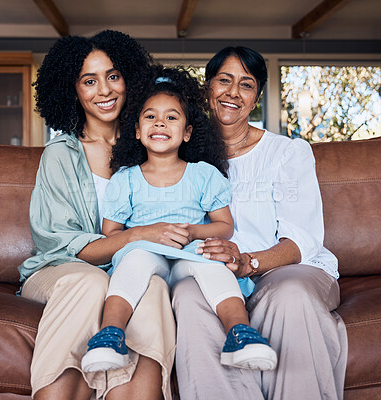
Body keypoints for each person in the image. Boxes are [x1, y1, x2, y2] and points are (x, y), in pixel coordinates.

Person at [172, 47, 348, 400]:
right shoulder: (184, 155)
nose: (232, 92)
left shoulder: (286, 152)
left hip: (286, 268)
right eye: (224, 80)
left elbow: (302, 240)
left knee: (289, 295)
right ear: (207, 88)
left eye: (246, 84)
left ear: (255, 98)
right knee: (189, 296)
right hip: (214, 275)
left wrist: (248, 262)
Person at [80, 66, 277, 375]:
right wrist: (144, 235)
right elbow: (111, 232)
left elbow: (225, 226)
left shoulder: (203, 174)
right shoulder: (125, 179)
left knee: (214, 260)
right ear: (136, 130)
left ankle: (241, 334)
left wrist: (191, 233)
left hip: (190, 254)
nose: (160, 122)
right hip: (146, 255)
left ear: (187, 132)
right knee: (134, 259)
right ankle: (110, 335)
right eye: (150, 116)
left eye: (171, 117)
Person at [18, 31, 178, 400]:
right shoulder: (61, 154)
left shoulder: (151, 145)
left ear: (129, 79)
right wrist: (140, 234)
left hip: (130, 269)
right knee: (91, 284)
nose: (104, 90)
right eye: (89, 81)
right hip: (61, 270)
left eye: (113, 76)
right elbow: (64, 244)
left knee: (152, 287)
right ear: (72, 90)